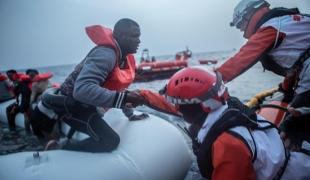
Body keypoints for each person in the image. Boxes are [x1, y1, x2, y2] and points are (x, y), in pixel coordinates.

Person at [161, 67, 310, 179]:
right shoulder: (227, 106)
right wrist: (145, 96)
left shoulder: (227, 144)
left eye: (179, 104)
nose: (177, 109)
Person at [38, 18, 148, 152]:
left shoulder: (123, 58)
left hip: (86, 104)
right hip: (70, 106)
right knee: (111, 141)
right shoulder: (106, 54)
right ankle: (61, 147)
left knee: (97, 115)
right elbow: (82, 90)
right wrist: (124, 98)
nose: (139, 41)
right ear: (119, 35)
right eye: (134, 36)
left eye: (139, 36)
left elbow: (117, 85)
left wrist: (130, 114)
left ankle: (68, 137)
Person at [216, 0, 310, 150]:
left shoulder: (270, 28)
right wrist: (286, 88)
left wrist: (208, 81)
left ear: (250, 15)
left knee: (290, 131)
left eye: (240, 24)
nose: (241, 30)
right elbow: (298, 63)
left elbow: (239, 61)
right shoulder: (288, 21)